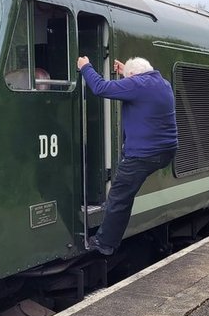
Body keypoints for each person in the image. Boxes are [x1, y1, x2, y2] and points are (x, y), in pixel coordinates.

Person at [76, 55, 178, 256]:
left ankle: (105, 243)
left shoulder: (138, 85)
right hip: (166, 151)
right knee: (124, 190)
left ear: (133, 76)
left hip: (144, 154)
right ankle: (110, 225)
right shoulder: (161, 82)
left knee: (120, 195)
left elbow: (100, 88)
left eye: (127, 78)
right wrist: (125, 72)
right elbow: (137, 82)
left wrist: (85, 67)